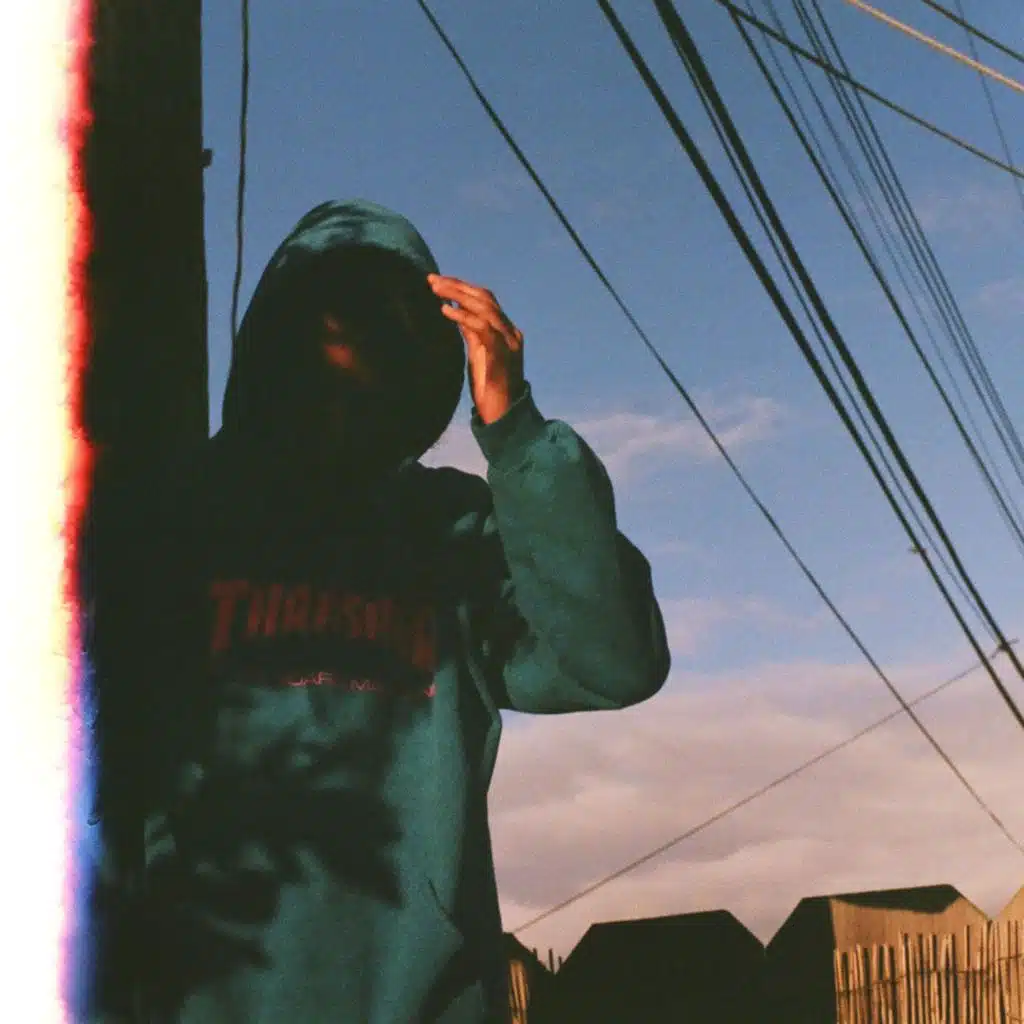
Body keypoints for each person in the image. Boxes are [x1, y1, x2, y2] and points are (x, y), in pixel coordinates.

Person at [87, 198, 671, 1023]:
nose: (364, 346)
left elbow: (615, 662)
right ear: (282, 334)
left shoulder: (454, 532)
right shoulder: (176, 515)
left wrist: (516, 432)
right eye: (342, 312)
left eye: (400, 327)